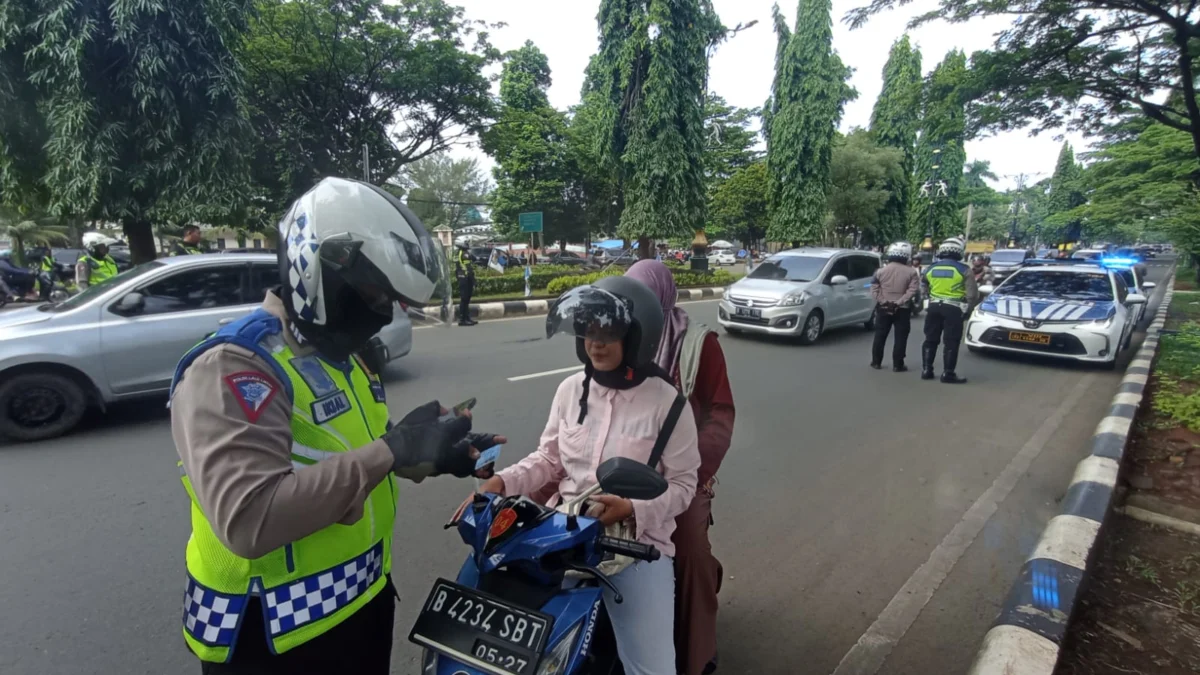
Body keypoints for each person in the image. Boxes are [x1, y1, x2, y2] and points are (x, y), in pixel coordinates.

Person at [169, 177, 504, 674]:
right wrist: (395, 447)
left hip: (358, 606)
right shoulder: (237, 366)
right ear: (316, 270)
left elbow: (352, 456)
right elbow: (249, 519)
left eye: (392, 298)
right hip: (271, 633)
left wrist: (432, 454)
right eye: (374, 293)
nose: (383, 312)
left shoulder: (343, 358)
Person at [479, 276, 701, 675]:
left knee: (653, 668)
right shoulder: (570, 390)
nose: (595, 343)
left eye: (608, 332)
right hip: (564, 534)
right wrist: (502, 482)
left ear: (637, 338)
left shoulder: (669, 405)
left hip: (635, 549)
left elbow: (684, 486)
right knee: (518, 645)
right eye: (588, 331)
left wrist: (631, 508)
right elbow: (548, 459)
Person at [625, 260, 734, 675]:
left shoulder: (698, 344)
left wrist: (692, 473)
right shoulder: (621, 337)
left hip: (681, 474)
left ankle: (697, 654)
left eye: (645, 300)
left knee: (687, 549)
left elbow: (719, 412)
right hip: (623, 467)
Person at [920, 237, 979, 384]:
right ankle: (948, 373)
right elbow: (972, 294)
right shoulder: (964, 269)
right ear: (959, 252)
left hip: (933, 307)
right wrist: (968, 311)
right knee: (951, 342)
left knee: (930, 339)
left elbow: (923, 286)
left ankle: (927, 370)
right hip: (954, 308)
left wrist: (928, 297)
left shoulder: (931, 268)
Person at [870, 243, 920, 372]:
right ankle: (898, 364)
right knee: (901, 337)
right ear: (907, 256)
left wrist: (885, 302)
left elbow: (874, 290)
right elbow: (912, 290)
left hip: (883, 308)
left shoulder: (880, 271)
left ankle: (876, 362)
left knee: (880, 335)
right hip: (903, 309)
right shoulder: (912, 272)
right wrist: (898, 302)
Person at [454, 241, 476, 326]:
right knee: (464, 299)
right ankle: (462, 319)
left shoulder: (460, 253)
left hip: (465, 277)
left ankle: (467, 317)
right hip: (464, 278)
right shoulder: (463, 253)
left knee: (467, 299)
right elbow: (472, 259)